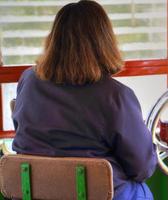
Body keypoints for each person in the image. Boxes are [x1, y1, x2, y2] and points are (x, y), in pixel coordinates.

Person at [11, 1, 157, 199]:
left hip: (36, 193)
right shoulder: (116, 96)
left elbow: (21, 131)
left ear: (54, 40)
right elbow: (143, 168)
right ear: (104, 42)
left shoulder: (28, 81)